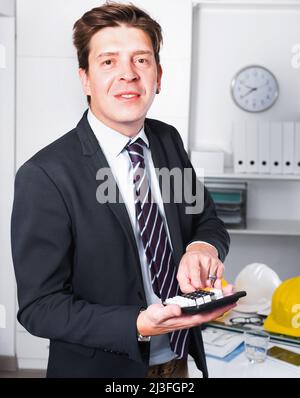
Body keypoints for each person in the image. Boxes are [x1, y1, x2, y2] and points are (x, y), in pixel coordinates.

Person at [11, 2, 235, 378]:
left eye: (141, 60)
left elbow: (207, 220)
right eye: (109, 61)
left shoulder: (167, 142)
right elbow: (40, 307)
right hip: (106, 366)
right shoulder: (45, 175)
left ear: (158, 75)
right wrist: (137, 325)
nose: (128, 75)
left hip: (178, 360)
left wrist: (201, 247)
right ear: (85, 79)